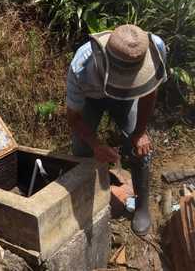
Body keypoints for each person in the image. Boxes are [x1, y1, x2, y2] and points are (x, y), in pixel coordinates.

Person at [66, 24, 167, 236]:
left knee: (141, 149)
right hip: (92, 101)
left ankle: (142, 206)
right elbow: (74, 118)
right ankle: (88, 195)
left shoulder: (155, 48)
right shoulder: (81, 66)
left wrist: (140, 132)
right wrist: (96, 144)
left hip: (130, 100)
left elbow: (149, 92)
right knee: (81, 148)